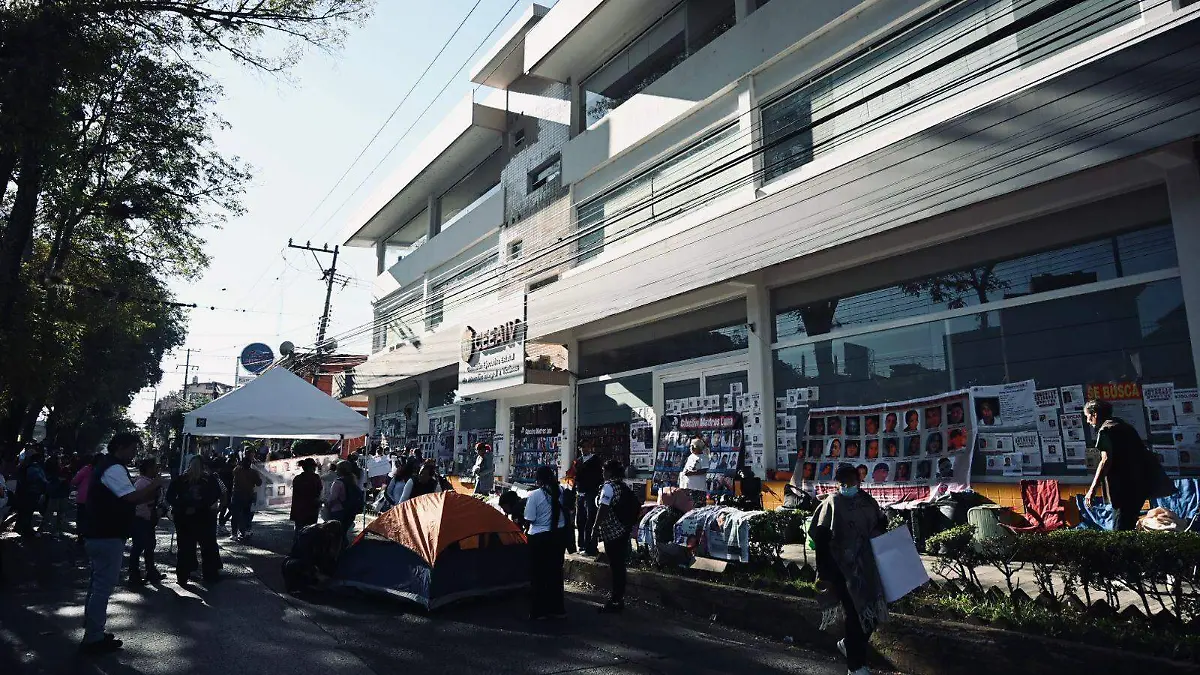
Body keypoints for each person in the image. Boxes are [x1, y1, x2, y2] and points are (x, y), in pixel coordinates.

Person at [80, 433, 168, 655]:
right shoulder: (113, 468)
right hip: (106, 535)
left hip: (100, 533)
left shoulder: (108, 466)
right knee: (102, 587)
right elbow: (131, 498)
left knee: (97, 585)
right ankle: (93, 637)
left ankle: (94, 630)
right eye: (132, 449)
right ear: (120, 447)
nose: (134, 454)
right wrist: (155, 484)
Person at [808, 464, 888, 675]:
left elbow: (879, 524)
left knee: (870, 615)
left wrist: (883, 523)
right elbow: (821, 537)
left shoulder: (867, 501)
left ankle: (848, 646)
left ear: (859, 481)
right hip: (841, 570)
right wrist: (825, 573)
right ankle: (856, 666)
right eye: (843, 482)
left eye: (851, 481)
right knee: (853, 615)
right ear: (838, 483)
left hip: (868, 567)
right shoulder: (832, 503)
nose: (848, 486)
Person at [1083, 399, 1161, 531]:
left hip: (1123, 489)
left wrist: (1092, 489)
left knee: (1120, 533)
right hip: (1139, 486)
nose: (1087, 421)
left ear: (1094, 414)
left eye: (1087, 416)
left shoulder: (1106, 430)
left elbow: (1105, 461)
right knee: (1128, 528)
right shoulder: (1124, 426)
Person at [166, 456, 222, 586]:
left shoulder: (181, 479)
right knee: (207, 547)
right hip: (203, 517)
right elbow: (214, 496)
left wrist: (184, 506)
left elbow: (170, 497)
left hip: (185, 517)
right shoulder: (209, 479)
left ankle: (183, 575)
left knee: (185, 547)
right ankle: (209, 574)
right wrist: (199, 505)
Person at [524, 466, 569, 620]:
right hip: (558, 537)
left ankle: (538, 610)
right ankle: (557, 608)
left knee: (538, 575)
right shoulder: (561, 491)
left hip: (539, 538)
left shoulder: (535, 495)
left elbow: (529, 518)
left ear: (538, 479)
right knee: (555, 573)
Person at [593, 459, 636, 614]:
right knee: (619, 566)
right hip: (623, 530)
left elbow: (603, 509)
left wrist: (595, 528)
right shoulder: (623, 486)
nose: (602, 473)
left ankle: (616, 599)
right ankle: (618, 598)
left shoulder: (609, 487)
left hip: (612, 532)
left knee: (616, 566)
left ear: (609, 472)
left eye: (604, 470)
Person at [127, 458, 166, 586]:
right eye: (155, 467)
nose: (157, 470)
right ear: (149, 469)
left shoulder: (149, 482)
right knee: (139, 546)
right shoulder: (141, 483)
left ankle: (151, 572)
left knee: (150, 545)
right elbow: (137, 501)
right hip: (141, 519)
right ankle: (134, 574)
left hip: (148, 519)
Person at [569, 441, 604, 556]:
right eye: (582, 447)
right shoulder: (578, 461)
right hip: (580, 493)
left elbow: (598, 477)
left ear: (591, 447)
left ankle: (591, 545)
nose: (584, 449)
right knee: (580, 520)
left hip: (591, 493)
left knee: (591, 520)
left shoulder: (595, 460)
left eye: (586, 447)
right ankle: (582, 544)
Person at [326, 460, 364, 540]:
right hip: (350, 510)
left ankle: (338, 549)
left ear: (339, 470)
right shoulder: (353, 480)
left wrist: (327, 506)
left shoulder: (338, 482)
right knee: (343, 532)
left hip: (337, 510)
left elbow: (333, 498)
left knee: (335, 534)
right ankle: (344, 548)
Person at [230, 454, 262, 542]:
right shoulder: (253, 472)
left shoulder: (237, 470)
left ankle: (234, 533)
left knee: (235, 515)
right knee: (247, 514)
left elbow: (233, 472)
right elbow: (259, 483)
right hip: (248, 495)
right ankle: (245, 531)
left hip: (237, 495)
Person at [290, 458, 324, 538]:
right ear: (311, 467)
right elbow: (319, 490)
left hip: (299, 507)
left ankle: (297, 547)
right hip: (312, 507)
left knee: (299, 529)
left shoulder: (297, 478)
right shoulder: (315, 478)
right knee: (310, 530)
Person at [39, 454, 70, 536]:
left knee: (53, 513)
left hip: (58, 493)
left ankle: (45, 529)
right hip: (58, 493)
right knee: (56, 513)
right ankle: (53, 530)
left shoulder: (64, 469)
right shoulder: (59, 470)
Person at [71, 455, 98, 537]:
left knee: (81, 517)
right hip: (95, 498)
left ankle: (80, 535)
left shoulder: (86, 469)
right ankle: (88, 535)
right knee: (91, 517)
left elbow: (75, 481)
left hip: (83, 498)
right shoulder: (103, 470)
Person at [677, 438, 709, 506]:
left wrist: (692, 473)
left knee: (698, 507)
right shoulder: (691, 456)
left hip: (698, 488)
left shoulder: (703, 457)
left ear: (698, 447)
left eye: (692, 446)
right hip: (688, 487)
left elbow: (704, 470)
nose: (690, 448)